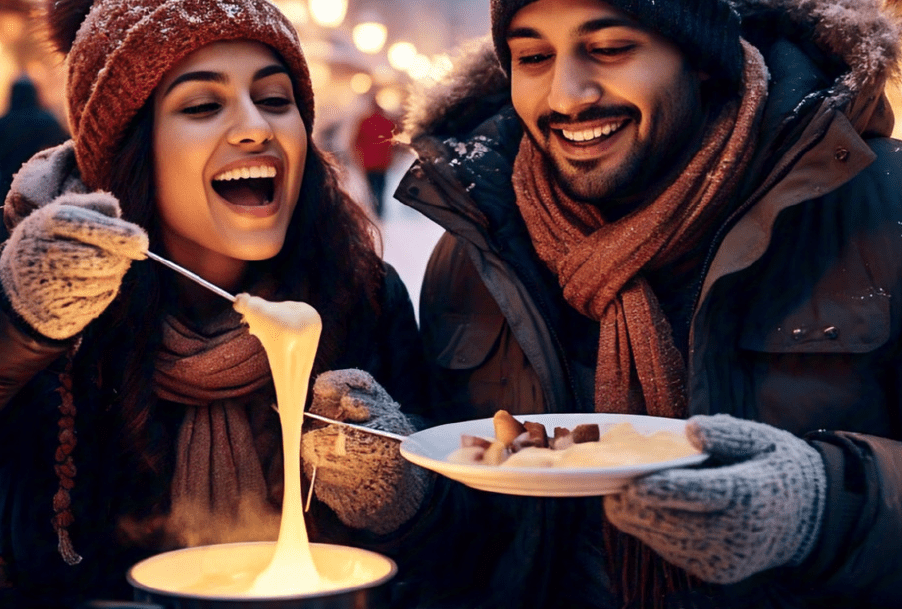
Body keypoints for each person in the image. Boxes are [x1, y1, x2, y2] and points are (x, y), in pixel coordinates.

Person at [393, 0, 902, 607]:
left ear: (702, 61)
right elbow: (477, 536)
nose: (567, 97)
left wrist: (828, 505)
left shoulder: (877, 207)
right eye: (532, 57)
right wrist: (411, 493)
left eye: (609, 49)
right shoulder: (477, 245)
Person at [0, 0, 431, 606]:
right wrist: (19, 331)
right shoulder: (48, 295)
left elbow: (455, 551)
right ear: (130, 150)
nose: (257, 128)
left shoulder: (365, 295)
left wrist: (407, 499)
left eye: (276, 100)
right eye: (203, 105)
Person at [0, 74, 68, 215]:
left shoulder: (4, 123)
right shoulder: (47, 122)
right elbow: (66, 148)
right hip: (38, 190)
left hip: (4, 190)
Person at [353, 93, 397, 219]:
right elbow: (394, 142)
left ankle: (374, 209)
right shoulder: (387, 122)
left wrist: (358, 156)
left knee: (371, 187)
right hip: (383, 162)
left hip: (368, 162)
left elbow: (357, 141)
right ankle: (380, 211)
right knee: (382, 187)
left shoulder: (364, 122)